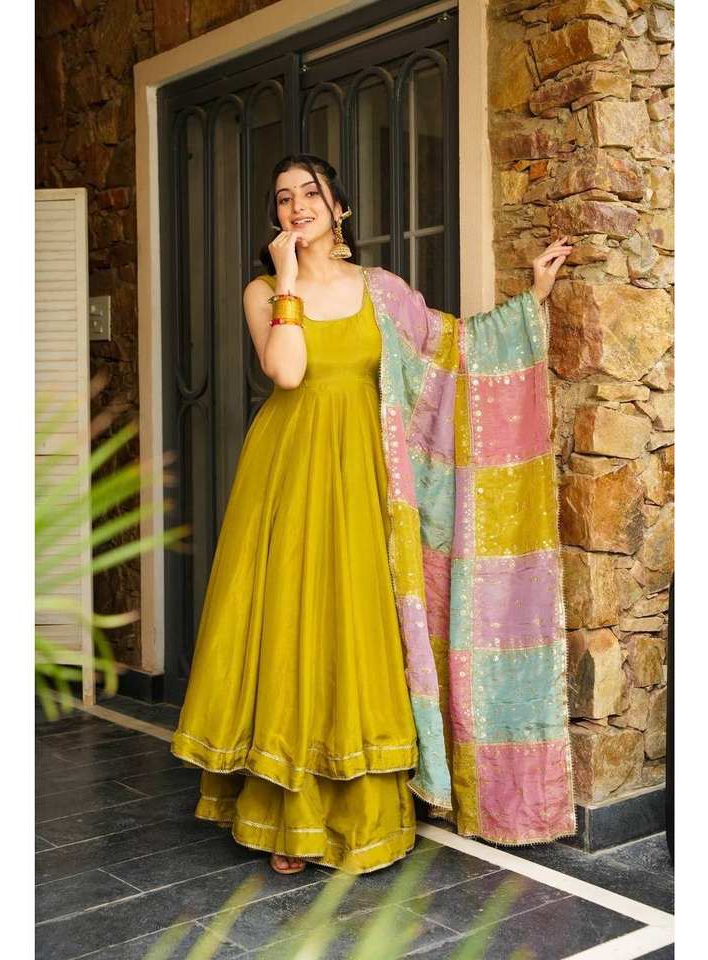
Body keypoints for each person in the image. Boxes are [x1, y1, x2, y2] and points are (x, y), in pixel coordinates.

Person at [170, 153, 572, 875]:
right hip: (288, 472)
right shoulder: (262, 291)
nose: (298, 206)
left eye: (311, 193)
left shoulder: (381, 290)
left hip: (368, 474)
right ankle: (288, 819)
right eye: (284, 197)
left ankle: (360, 812)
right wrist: (287, 279)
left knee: (359, 624)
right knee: (291, 622)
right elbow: (286, 370)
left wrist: (530, 300)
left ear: (340, 208)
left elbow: (454, 352)